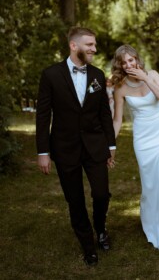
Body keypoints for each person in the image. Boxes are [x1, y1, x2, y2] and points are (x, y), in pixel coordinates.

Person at [36, 27, 116, 267]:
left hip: (95, 145)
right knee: (75, 199)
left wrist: (111, 144)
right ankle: (88, 245)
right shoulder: (50, 75)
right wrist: (43, 152)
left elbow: (104, 113)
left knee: (101, 193)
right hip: (64, 147)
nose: (94, 48)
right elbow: (43, 115)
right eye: (89, 44)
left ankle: (100, 228)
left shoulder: (98, 75)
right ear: (74, 45)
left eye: (94, 44)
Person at [111, 45, 159, 252]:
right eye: (124, 62)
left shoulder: (152, 74)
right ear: (120, 65)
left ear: (137, 59)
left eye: (131, 60)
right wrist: (109, 145)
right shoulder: (121, 87)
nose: (129, 65)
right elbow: (117, 120)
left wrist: (146, 79)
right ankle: (154, 220)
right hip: (143, 139)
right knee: (150, 183)